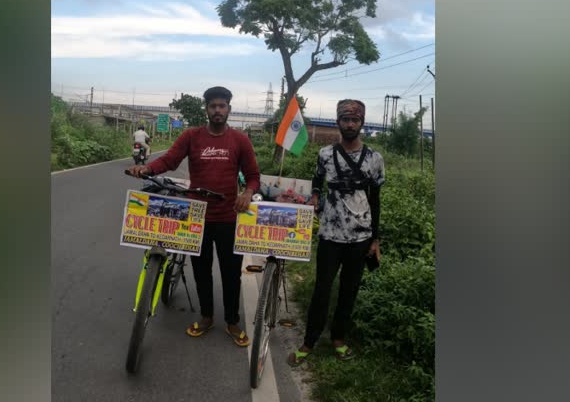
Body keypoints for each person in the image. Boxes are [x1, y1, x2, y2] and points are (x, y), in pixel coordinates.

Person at [127, 86, 261, 347]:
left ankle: (232, 322)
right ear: (207, 109)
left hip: (228, 218)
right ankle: (207, 316)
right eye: (213, 106)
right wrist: (146, 168)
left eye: (222, 106)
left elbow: (254, 175)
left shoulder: (240, 140)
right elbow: (169, 160)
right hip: (197, 217)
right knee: (201, 271)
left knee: (231, 273)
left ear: (229, 110)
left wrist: (247, 192)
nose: (218, 110)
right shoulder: (192, 136)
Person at [287, 99, 385, 366]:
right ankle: (309, 342)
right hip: (330, 234)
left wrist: (375, 239)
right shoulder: (325, 154)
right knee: (322, 290)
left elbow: (375, 200)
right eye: (345, 119)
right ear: (338, 122)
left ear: (361, 123)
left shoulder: (375, 158)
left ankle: (339, 339)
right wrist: (316, 195)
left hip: (360, 237)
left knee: (348, 291)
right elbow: (317, 179)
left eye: (355, 120)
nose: (350, 124)